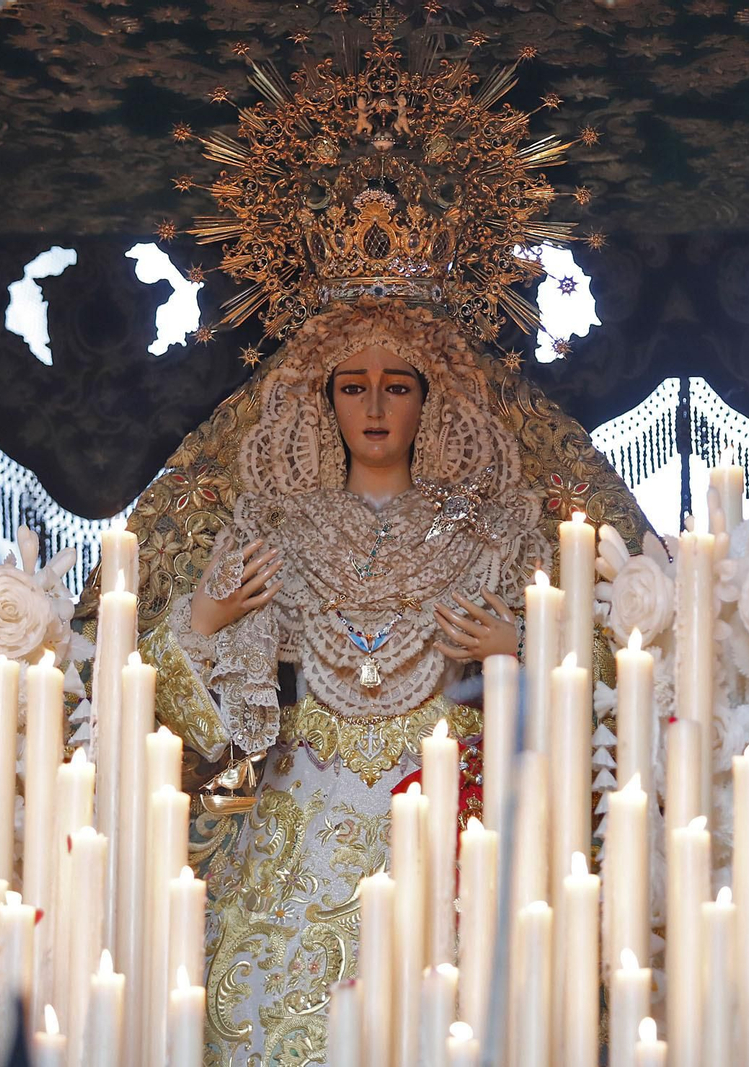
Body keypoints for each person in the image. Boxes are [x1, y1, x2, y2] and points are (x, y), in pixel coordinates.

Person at [138, 296, 550, 1063]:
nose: (374, 405)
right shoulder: (275, 531)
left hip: (439, 819)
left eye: (397, 384)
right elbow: (204, 730)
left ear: (430, 399)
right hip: (294, 820)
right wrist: (205, 618)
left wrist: (516, 648)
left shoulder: (488, 534)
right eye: (352, 385)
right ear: (324, 401)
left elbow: (582, 686)